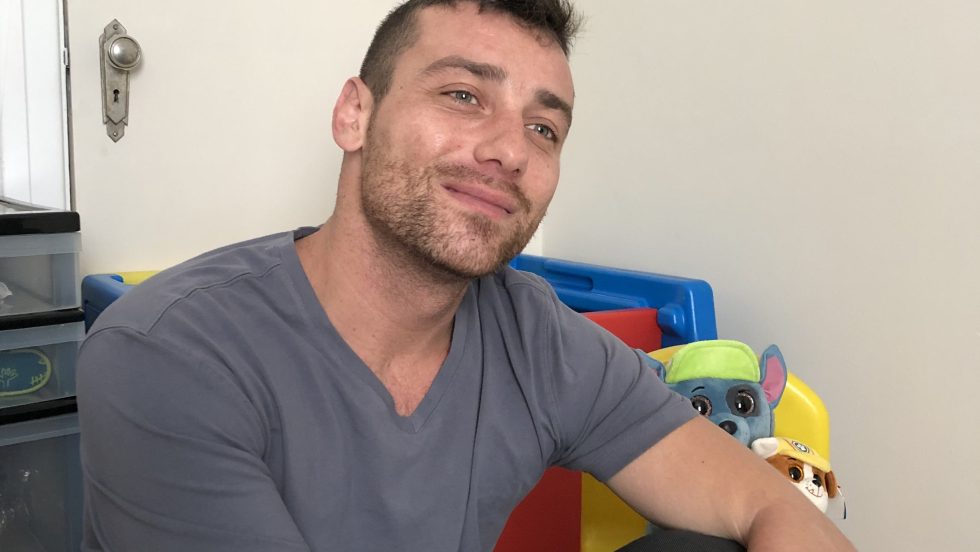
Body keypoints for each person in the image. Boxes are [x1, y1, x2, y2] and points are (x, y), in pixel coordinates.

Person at [76, 1, 855, 550]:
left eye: (543, 127)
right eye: (462, 95)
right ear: (354, 114)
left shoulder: (535, 335)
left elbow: (769, 505)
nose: (509, 150)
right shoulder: (169, 353)